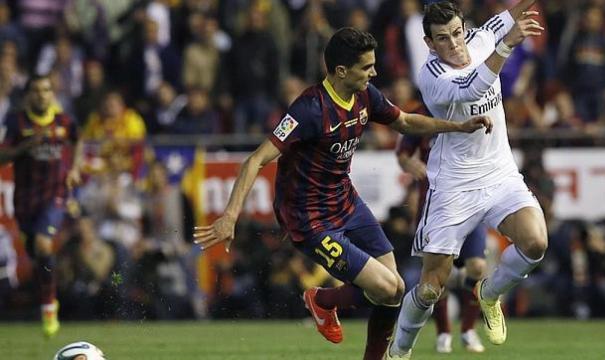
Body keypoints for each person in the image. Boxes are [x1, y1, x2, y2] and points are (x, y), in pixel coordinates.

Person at [194, 27, 492, 360]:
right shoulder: (308, 109)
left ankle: (329, 307)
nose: (374, 73)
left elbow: (406, 122)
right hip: (310, 220)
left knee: (391, 291)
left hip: (347, 203)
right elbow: (255, 160)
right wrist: (230, 215)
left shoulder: (366, 95)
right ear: (341, 71)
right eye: (367, 67)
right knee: (391, 288)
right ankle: (322, 301)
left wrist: (459, 127)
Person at [386, 1, 547, 358]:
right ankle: (399, 350)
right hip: (453, 186)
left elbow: (511, 15)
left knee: (535, 243)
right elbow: (471, 88)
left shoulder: (480, 38)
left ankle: (489, 293)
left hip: (499, 172)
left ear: (465, 28)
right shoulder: (431, 77)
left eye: (457, 33)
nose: (454, 44)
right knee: (431, 287)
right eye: (442, 39)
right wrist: (507, 46)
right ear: (429, 43)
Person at [0, 73, 83, 337]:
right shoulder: (16, 123)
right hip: (25, 200)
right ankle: (48, 294)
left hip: (55, 194)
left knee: (43, 244)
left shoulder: (63, 121)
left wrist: (75, 169)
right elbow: (2, 157)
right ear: (28, 96)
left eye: (46, 90)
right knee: (37, 255)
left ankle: (48, 307)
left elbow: (77, 139)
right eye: (36, 91)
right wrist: (26, 145)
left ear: (52, 93)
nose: (42, 95)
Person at [396, 133, 486, 353]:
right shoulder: (423, 114)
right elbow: (403, 151)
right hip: (435, 207)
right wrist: (408, 162)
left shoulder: (469, 109)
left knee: (478, 267)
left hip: (471, 201)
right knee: (436, 275)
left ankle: (468, 330)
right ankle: (444, 333)